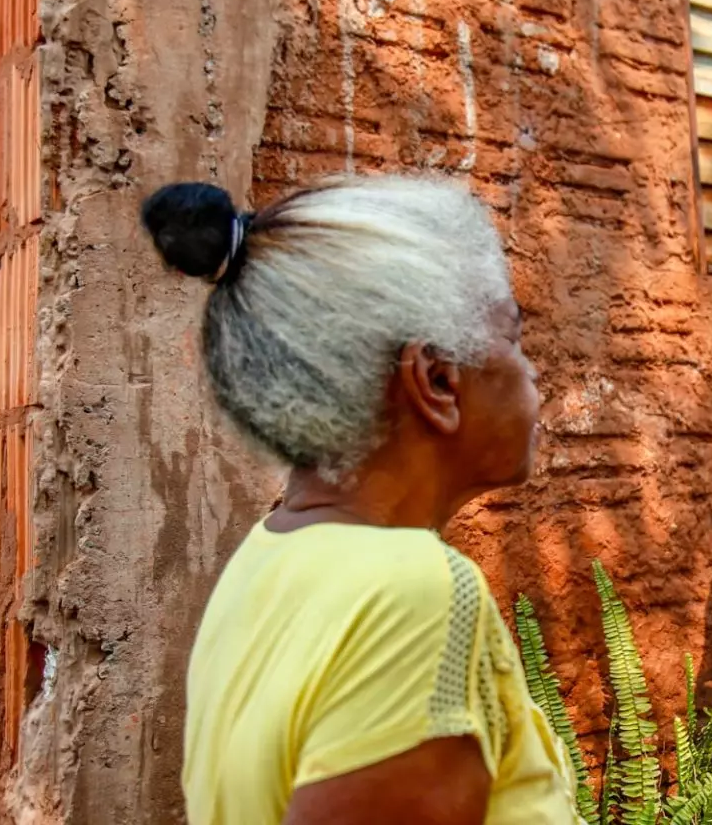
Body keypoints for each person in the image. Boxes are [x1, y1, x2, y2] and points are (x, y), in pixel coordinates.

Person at [145, 176, 582, 825]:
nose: (531, 370)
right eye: (513, 338)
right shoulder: (416, 597)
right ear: (436, 380)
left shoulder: (265, 559)